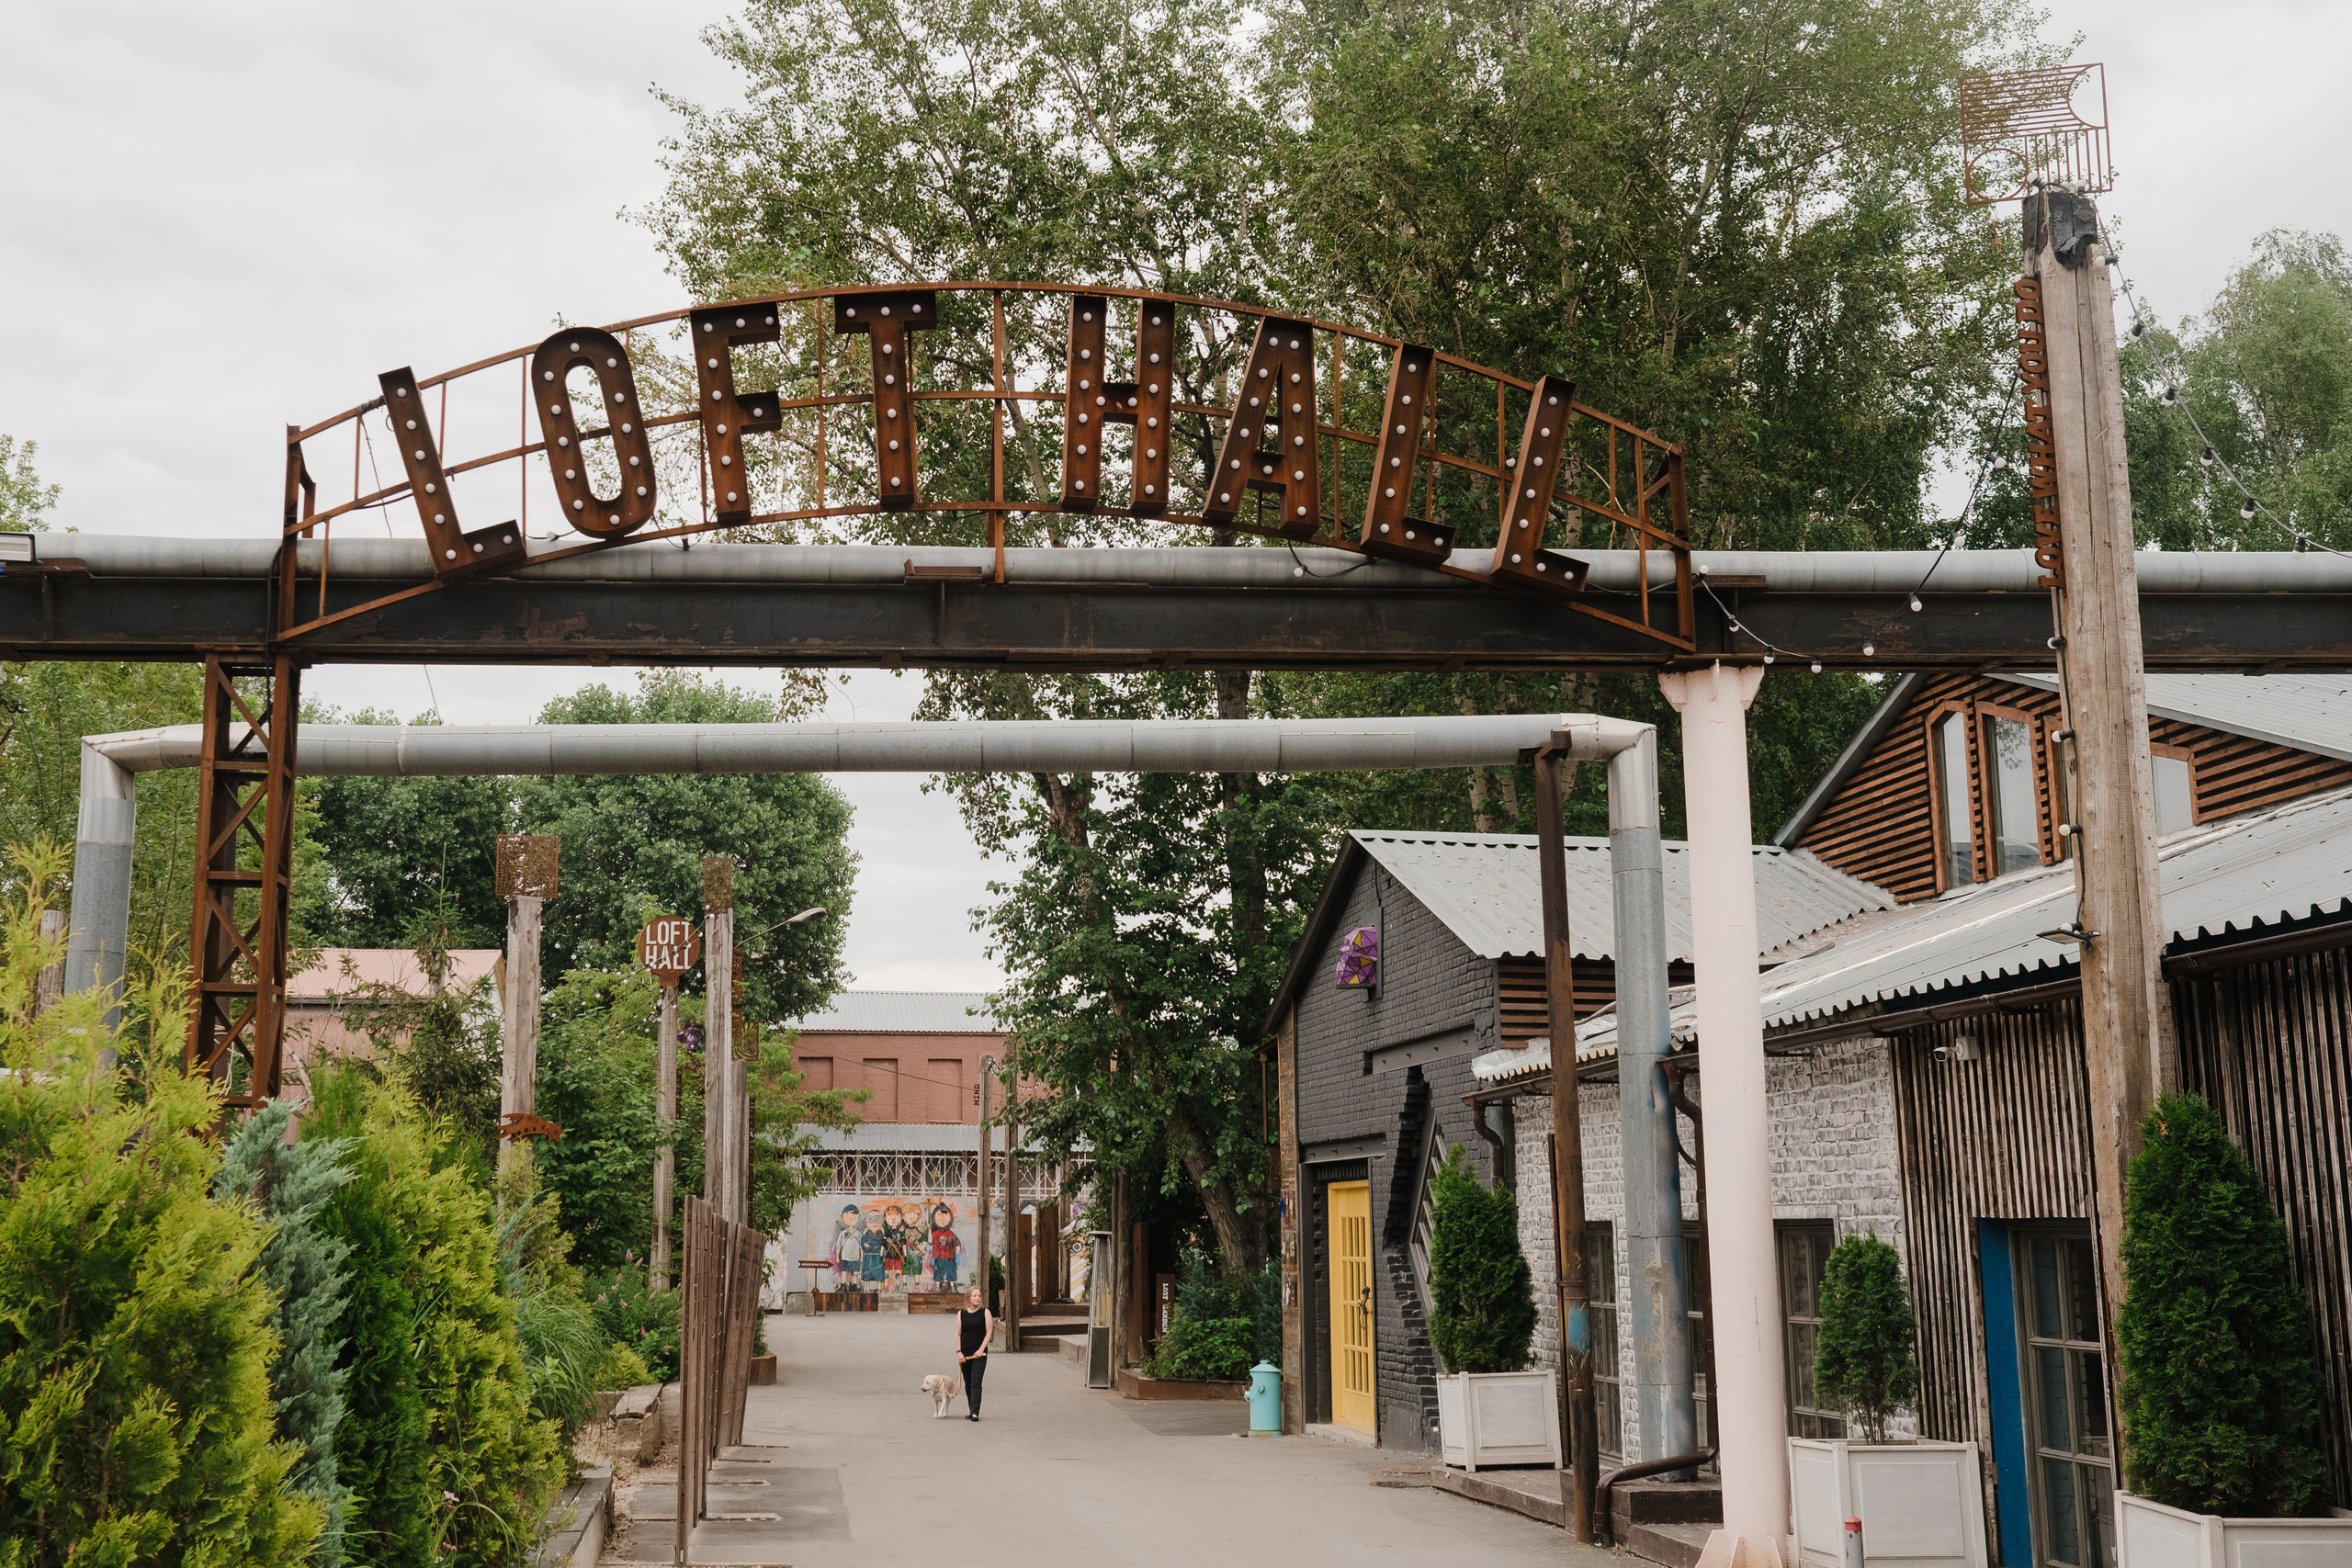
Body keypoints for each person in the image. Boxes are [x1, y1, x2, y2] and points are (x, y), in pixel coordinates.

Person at [956, 1286, 992, 1421]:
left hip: (979, 1354)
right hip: (965, 1354)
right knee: (968, 1383)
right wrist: (959, 1352)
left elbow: (989, 1332)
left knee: (976, 1381)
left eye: (979, 1296)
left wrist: (981, 1349)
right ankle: (971, 1409)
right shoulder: (961, 1314)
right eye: (974, 1296)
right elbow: (957, 1333)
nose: (977, 1298)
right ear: (969, 1298)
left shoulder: (985, 1313)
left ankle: (975, 1412)